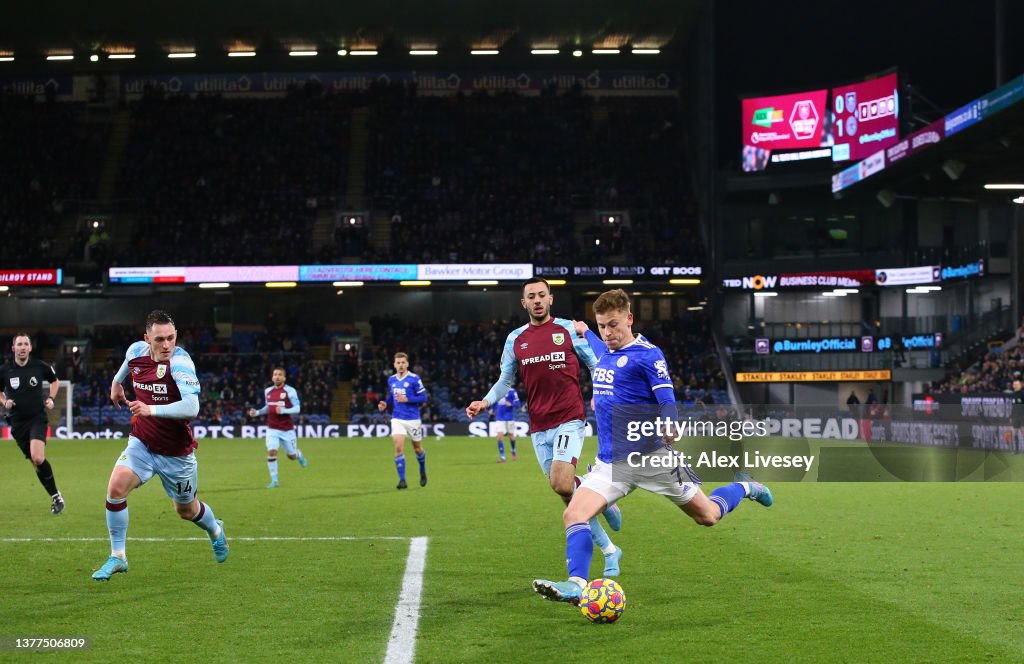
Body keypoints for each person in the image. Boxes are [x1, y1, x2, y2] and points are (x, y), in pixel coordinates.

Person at [532, 290, 773, 603]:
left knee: (708, 516)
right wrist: (586, 331)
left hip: (654, 459)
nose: (608, 332)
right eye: (603, 326)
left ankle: (746, 487)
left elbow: (666, 398)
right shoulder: (605, 347)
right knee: (574, 514)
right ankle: (576, 583)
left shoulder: (649, 355)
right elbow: (596, 344)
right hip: (610, 465)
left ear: (630, 319)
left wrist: (669, 423)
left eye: (614, 325)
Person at [466, 277, 623, 577]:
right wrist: (485, 402)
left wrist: (596, 394)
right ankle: (610, 549)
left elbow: (596, 363)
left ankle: (600, 499)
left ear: (551, 299)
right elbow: (505, 380)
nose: (537, 300)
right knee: (566, 495)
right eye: (531, 296)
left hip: (569, 417)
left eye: (542, 295)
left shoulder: (568, 330)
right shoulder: (515, 340)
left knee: (563, 483)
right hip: (539, 425)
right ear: (523, 303)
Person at [91, 310, 228, 581]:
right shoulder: (136, 351)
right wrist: (116, 384)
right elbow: (127, 366)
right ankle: (118, 557)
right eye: (159, 339)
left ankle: (215, 530)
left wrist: (150, 409)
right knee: (115, 488)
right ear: (147, 339)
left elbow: (192, 406)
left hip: (176, 453)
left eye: (171, 338)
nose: (166, 345)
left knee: (186, 510)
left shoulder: (181, 363)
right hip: (142, 442)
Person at [0, 334, 64, 515]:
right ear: (13, 348)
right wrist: (4, 402)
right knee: (35, 464)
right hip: (17, 422)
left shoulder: (39, 366)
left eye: (25, 344)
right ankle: (56, 496)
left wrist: (51, 398)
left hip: (37, 418)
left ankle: (56, 497)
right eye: (19, 344)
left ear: (30, 348)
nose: (22, 347)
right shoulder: (5, 370)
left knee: (37, 457)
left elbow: (55, 380)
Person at [248, 367, 307, 488]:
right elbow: (267, 407)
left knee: (291, 456)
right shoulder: (268, 391)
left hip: (287, 429)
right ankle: (274, 481)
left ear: (284, 378)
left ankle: (298, 454)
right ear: (272, 377)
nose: (277, 376)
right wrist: (257, 412)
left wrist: (284, 410)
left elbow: (297, 408)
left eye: (280, 374)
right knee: (272, 451)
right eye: (275, 374)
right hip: (272, 429)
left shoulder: (290, 391)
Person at [378, 352, 428, 489]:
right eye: (398, 363)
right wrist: (386, 404)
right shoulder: (391, 380)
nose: (400, 365)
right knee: (398, 446)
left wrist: (408, 399)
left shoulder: (414, 379)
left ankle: (422, 470)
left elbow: (424, 397)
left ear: (407, 364)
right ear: (394, 365)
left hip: (413, 419)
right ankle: (402, 480)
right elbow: (392, 396)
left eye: (403, 362)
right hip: (397, 418)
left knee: (417, 449)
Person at [490, 387, 520, 462]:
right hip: (499, 417)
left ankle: (513, 450)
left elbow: (518, 404)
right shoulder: (498, 390)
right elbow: (494, 401)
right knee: (500, 436)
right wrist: (492, 409)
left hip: (509, 417)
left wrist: (511, 404)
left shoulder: (512, 391)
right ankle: (502, 457)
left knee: (511, 436)